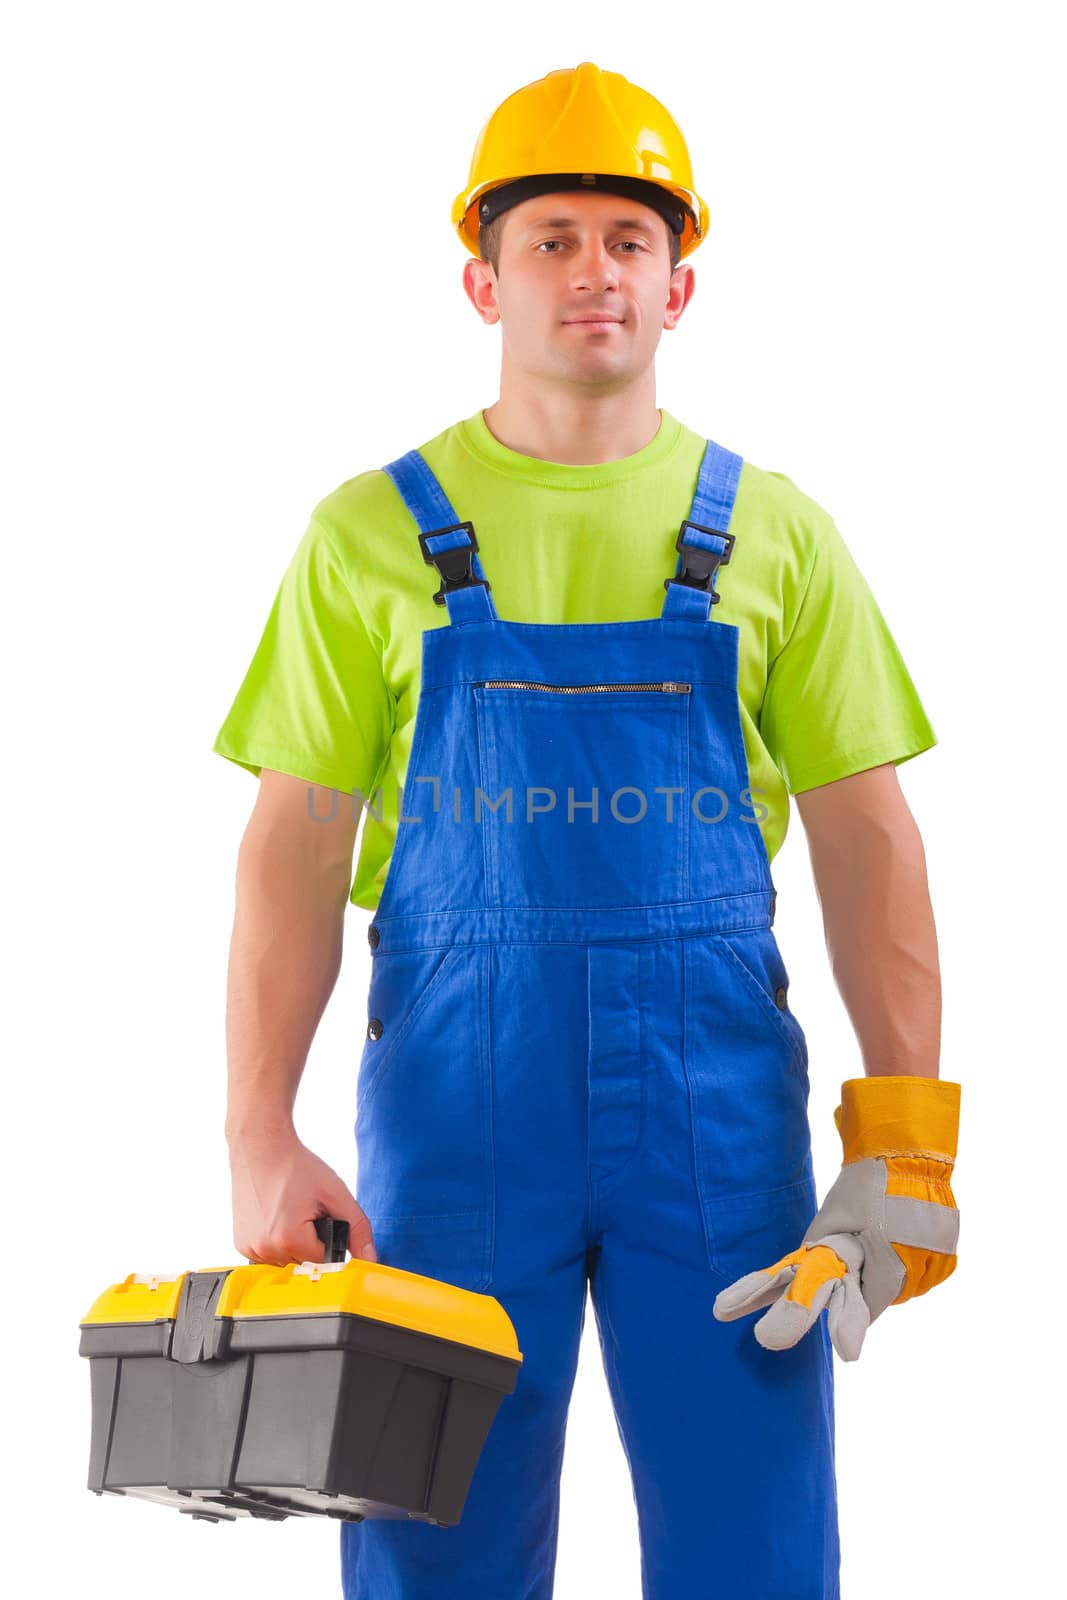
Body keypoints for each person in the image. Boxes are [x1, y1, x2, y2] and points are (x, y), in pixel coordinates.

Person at [213, 62, 961, 1600]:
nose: (592, 270)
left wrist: (909, 1142)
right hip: (457, 1118)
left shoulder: (774, 533)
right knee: (437, 1544)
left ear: (681, 284)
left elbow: (868, 835)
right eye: (551, 237)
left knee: (754, 1549)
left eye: (627, 237)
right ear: (481, 278)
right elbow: (290, 842)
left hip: (713, 1124)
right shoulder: (368, 534)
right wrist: (255, 1132)